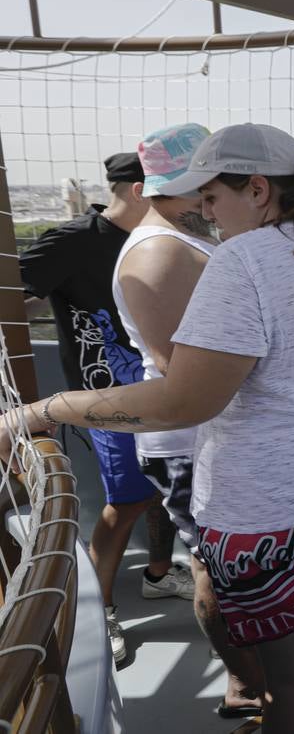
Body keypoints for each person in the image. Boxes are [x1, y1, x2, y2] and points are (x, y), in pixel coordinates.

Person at [5, 123, 294, 734]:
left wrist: (45, 410)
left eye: (213, 197)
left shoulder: (246, 260)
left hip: (282, 499)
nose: (206, 215)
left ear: (259, 189)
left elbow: (184, 401)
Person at [111, 123, 265, 720]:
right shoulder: (161, 252)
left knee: (226, 563)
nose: (209, 199)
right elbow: (185, 372)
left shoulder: (180, 239)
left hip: (210, 433)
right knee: (214, 567)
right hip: (191, 439)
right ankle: (247, 685)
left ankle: (258, 673)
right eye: (199, 188)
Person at [19, 152, 193, 664]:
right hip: (108, 395)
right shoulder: (75, 240)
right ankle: (101, 610)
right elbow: (17, 294)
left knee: (163, 485)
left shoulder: (167, 239)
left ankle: (159, 575)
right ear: (141, 190)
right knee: (127, 502)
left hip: (166, 390)